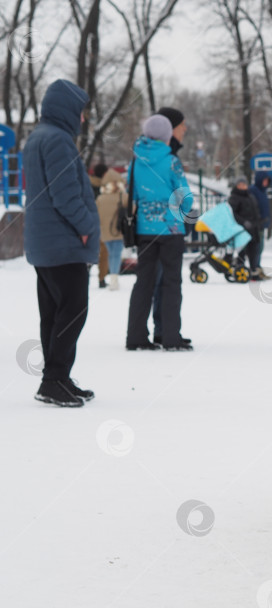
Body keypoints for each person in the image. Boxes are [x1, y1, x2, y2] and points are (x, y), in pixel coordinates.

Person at [22, 78, 100, 407]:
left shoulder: (38, 138)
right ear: (67, 109)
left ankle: (58, 379)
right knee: (73, 310)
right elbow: (64, 194)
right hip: (63, 243)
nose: (82, 118)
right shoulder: (58, 141)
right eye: (81, 111)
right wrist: (85, 227)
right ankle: (54, 379)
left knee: (53, 313)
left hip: (45, 244)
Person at [125, 114, 194, 351]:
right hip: (171, 228)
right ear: (166, 136)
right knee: (171, 282)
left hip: (145, 230)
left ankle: (135, 336)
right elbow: (184, 196)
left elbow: (131, 195)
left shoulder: (135, 161)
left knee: (144, 282)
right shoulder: (171, 161)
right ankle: (170, 336)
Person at [151, 106, 191, 346]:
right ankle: (166, 331)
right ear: (170, 127)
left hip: (154, 226)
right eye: (181, 125)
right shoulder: (167, 157)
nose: (185, 129)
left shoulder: (153, 154)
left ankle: (162, 328)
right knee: (165, 280)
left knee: (158, 280)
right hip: (167, 227)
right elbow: (179, 194)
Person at [95, 168, 127, 291]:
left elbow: (95, 215)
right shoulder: (123, 196)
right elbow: (133, 208)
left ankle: (110, 277)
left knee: (109, 254)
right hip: (118, 231)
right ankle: (114, 278)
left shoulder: (100, 198)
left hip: (104, 232)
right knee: (116, 255)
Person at [228, 176, 263, 280]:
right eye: (240, 184)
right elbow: (232, 213)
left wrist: (258, 222)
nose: (242, 186)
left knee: (254, 251)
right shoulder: (234, 197)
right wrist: (243, 222)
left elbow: (255, 211)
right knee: (241, 251)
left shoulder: (250, 197)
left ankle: (254, 270)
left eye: (244, 184)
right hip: (242, 230)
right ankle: (240, 270)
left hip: (254, 229)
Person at [248, 171, 272, 271]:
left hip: (262, 224)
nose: (266, 182)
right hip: (256, 225)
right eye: (264, 180)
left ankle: (257, 265)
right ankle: (254, 267)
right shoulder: (253, 191)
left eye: (267, 180)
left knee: (260, 247)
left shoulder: (263, 192)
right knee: (256, 247)